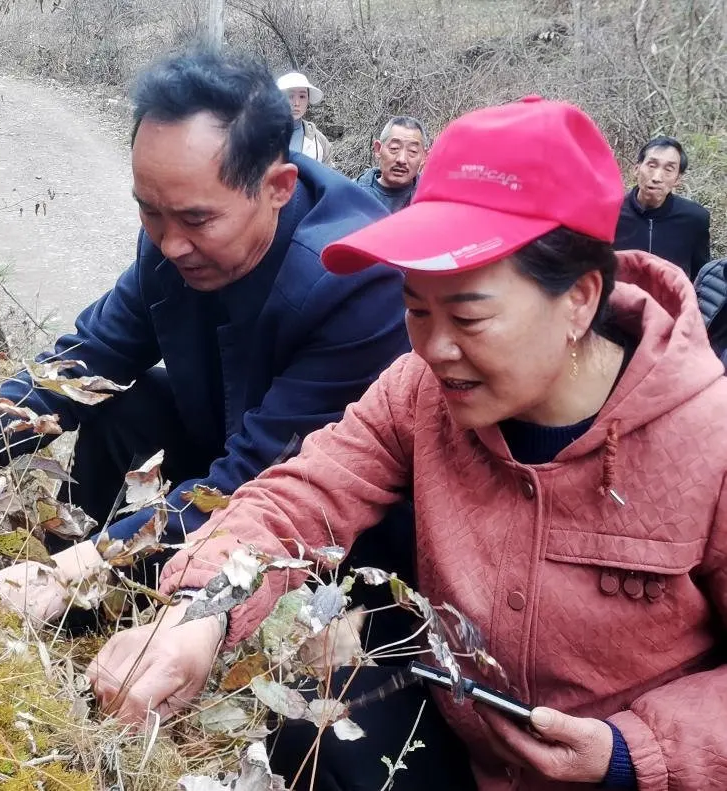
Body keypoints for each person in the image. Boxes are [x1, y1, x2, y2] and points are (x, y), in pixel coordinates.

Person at [88, 96, 727, 791]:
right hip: (463, 741)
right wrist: (201, 614)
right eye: (416, 307)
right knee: (318, 724)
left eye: (468, 315)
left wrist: (636, 753)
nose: (436, 346)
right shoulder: (420, 389)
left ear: (578, 298)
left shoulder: (706, 439)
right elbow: (305, 493)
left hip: (625, 776)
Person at [0, 51, 409, 623]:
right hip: (219, 439)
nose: (169, 244)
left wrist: (87, 564)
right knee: (121, 411)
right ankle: (72, 607)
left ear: (279, 187)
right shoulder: (172, 237)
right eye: (149, 211)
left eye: (196, 220)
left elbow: (256, 480)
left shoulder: (356, 278)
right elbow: (94, 356)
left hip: (311, 520)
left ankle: (82, 591)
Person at [612, 136, 712, 279]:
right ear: (636, 169)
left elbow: (701, 277)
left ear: (678, 179)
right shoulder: (611, 212)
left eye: (669, 169)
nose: (657, 177)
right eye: (652, 165)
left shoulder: (694, 219)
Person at [355, 116, 428, 213]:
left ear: (423, 157)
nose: (401, 159)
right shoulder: (353, 195)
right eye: (394, 148)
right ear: (378, 149)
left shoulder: (430, 199)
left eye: (412, 151)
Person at [276, 71, 332, 163]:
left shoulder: (319, 141)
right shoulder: (260, 135)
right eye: (290, 96)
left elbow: (329, 174)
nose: (296, 103)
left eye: (302, 96)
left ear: (308, 100)